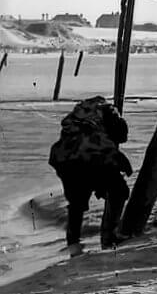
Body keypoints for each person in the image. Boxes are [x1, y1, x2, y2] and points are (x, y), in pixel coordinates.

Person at [49, 96, 132, 257]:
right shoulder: (110, 111)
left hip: (65, 160)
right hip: (93, 158)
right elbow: (122, 136)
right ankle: (108, 237)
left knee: (76, 204)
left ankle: (73, 244)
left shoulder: (79, 113)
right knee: (119, 191)